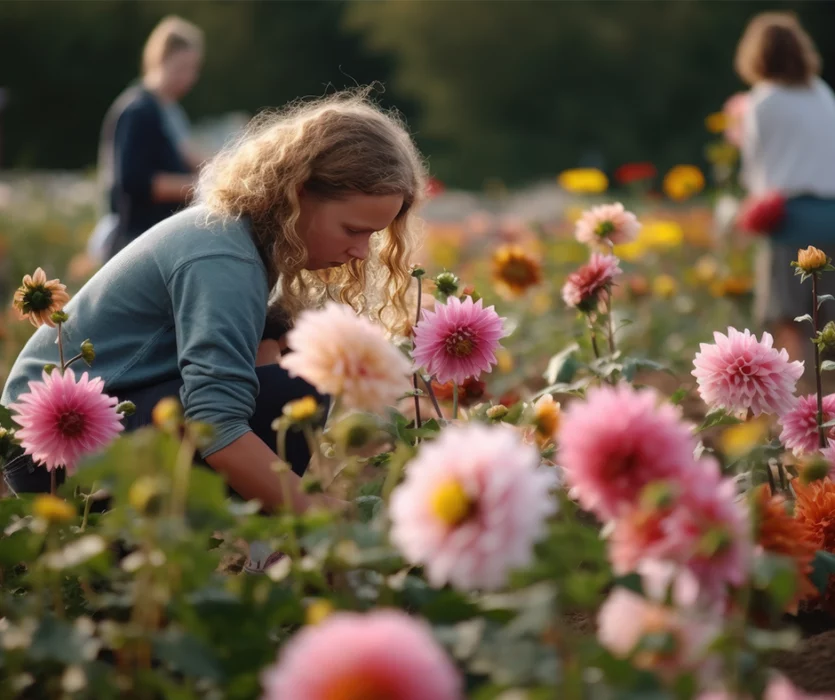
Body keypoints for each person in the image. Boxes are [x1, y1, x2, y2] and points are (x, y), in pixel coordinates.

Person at [1, 89, 426, 515]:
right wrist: (329, 518)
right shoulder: (223, 257)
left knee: (285, 349)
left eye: (373, 236)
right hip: (51, 445)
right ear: (299, 195)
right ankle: (269, 549)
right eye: (353, 230)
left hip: (107, 413)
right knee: (295, 388)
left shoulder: (242, 236)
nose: (362, 253)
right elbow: (215, 425)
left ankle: (250, 544)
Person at [735, 12, 835, 373]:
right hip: (832, 215)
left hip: (791, 222)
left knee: (786, 318)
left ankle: (796, 399)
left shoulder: (763, 100)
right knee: (829, 323)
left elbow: (755, 174)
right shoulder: (822, 92)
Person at [92, 16, 205, 263]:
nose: (189, 77)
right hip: (134, 243)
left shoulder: (166, 110)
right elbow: (135, 181)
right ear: (160, 60)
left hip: (151, 241)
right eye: (182, 68)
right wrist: (204, 187)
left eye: (193, 69)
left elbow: (191, 156)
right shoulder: (137, 111)